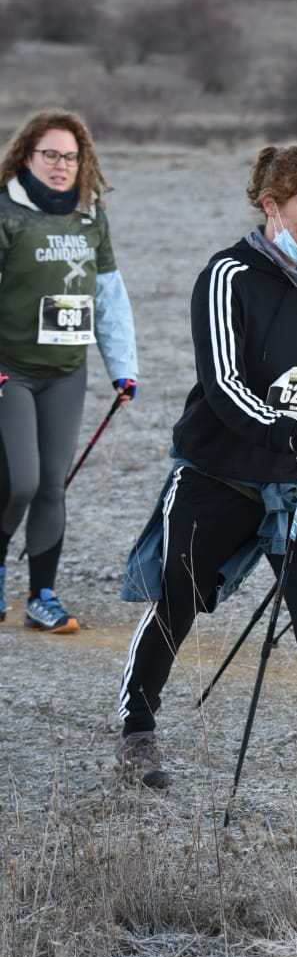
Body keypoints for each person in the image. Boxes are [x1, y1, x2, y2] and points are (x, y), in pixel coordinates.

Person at [117, 143, 297, 818]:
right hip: (217, 475)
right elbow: (223, 385)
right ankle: (136, 733)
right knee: (177, 603)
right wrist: (285, 433)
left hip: (295, 485)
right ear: (271, 205)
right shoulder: (227, 275)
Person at [0, 109, 138, 634]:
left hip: (65, 371)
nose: (61, 165)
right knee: (21, 482)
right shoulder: (7, 212)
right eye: (50, 155)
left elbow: (108, 295)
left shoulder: (90, 215)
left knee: (52, 486)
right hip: (9, 371)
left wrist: (123, 369)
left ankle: (42, 597)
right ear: (27, 157)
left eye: (71, 157)